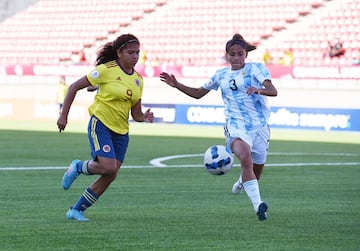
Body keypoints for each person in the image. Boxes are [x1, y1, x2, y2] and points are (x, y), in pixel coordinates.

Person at [160, 34, 277, 221]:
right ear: (227, 56)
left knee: (257, 169)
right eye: (232, 54)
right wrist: (177, 85)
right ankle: (258, 206)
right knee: (245, 158)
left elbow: (273, 91)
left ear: (245, 55)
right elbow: (198, 94)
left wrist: (259, 90)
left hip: (260, 126)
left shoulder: (256, 69)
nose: (236, 58)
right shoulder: (220, 75)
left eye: (240, 54)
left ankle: (242, 180)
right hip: (236, 125)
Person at [57, 34, 154, 222]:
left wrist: (145, 117)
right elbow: (74, 86)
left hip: (121, 132)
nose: (135, 57)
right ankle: (77, 167)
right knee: (108, 167)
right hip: (100, 123)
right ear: (119, 53)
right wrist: (63, 114)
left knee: (111, 173)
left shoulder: (138, 80)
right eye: (130, 52)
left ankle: (76, 210)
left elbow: (136, 113)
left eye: (137, 53)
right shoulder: (105, 70)